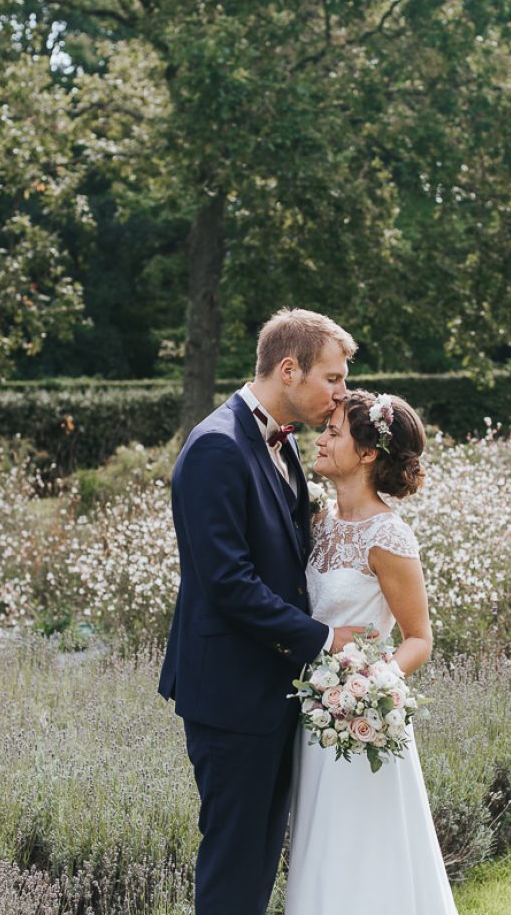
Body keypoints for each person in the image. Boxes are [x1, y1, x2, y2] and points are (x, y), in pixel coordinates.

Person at [158, 308, 369, 915]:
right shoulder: (217, 447)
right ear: (288, 369)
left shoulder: (280, 443)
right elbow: (229, 583)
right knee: (235, 864)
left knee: (257, 860)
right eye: (332, 378)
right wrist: (326, 640)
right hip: (231, 695)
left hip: (273, 689)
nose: (341, 392)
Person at [285, 390, 459, 914]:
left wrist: (370, 687)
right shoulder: (314, 522)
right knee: (321, 845)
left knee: (368, 850)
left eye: (334, 432)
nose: (321, 439)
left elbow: (419, 639)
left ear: (366, 454)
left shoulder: (389, 537)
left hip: (363, 718)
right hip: (313, 715)